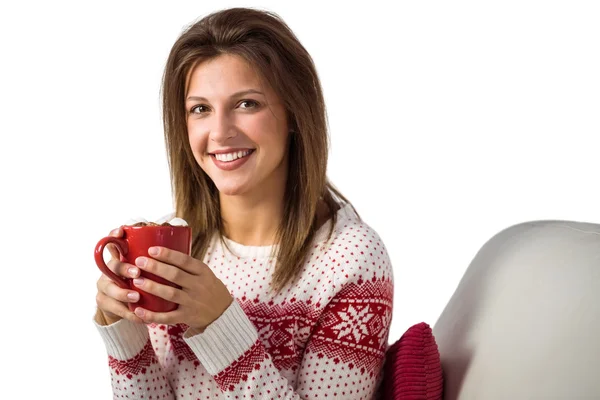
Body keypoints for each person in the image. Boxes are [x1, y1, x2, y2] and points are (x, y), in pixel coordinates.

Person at [94, 7, 394, 399]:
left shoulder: (352, 260)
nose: (220, 132)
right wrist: (124, 335)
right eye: (200, 109)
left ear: (294, 114)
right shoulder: (178, 243)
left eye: (247, 104)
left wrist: (220, 324)